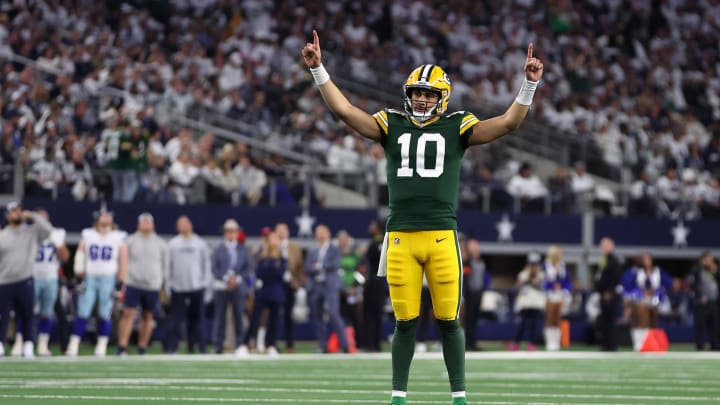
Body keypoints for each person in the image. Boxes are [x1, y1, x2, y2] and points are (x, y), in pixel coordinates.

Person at [302, 28, 543, 404]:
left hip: (442, 236)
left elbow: (509, 123)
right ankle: (399, 395)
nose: (422, 98)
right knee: (405, 321)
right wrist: (319, 71)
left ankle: (459, 396)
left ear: (442, 97)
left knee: (449, 320)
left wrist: (528, 85)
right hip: (401, 236)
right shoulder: (390, 123)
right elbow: (344, 111)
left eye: (429, 93)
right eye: (417, 92)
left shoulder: (457, 125)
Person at [67, 210, 128, 357]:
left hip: (109, 278)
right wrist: (79, 274)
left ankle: (102, 346)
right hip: (90, 277)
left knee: (104, 313)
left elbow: (123, 260)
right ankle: (74, 344)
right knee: (83, 311)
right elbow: (80, 255)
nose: (106, 218)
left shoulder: (118, 237)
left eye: (108, 216)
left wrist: (121, 281)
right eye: (103, 215)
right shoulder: (88, 235)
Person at [0, 202, 54, 358]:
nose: (16, 214)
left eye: (18, 211)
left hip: (25, 279)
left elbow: (49, 229)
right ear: (8, 216)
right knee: (3, 315)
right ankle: (1, 345)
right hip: (4, 281)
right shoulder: (3, 235)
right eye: (13, 212)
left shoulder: (31, 232)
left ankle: (29, 344)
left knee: (27, 314)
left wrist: (33, 215)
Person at [117, 213, 168, 356]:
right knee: (128, 314)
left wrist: (162, 283)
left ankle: (142, 347)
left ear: (153, 224)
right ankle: (122, 346)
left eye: (148, 222)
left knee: (148, 316)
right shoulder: (130, 241)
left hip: (152, 285)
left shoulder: (160, 243)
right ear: (139, 224)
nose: (146, 224)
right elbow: (123, 261)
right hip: (133, 283)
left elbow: (164, 265)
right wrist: (123, 279)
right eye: (144, 222)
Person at [166, 216, 211, 354]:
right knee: (176, 320)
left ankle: (199, 347)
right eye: (181, 224)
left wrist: (205, 284)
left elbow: (206, 264)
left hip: (197, 286)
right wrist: (169, 284)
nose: (184, 226)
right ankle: (173, 347)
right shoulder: (173, 243)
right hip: (178, 287)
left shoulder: (200, 243)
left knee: (197, 320)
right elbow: (168, 265)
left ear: (191, 225)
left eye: (186, 223)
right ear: (177, 227)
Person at [241, 230, 286, 357]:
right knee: (254, 319)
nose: (273, 241)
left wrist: (270, 271)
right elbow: (259, 273)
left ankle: (271, 345)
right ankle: (245, 344)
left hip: (276, 292)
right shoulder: (261, 257)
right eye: (271, 239)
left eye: (275, 239)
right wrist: (271, 271)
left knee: (274, 321)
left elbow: (280, 275)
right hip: (263, 292)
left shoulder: (281, 258)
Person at [211, 219, 253, 355]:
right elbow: (214, 268)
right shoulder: (218, 249)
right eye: (228, 231)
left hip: (238, 287)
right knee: (220, 317)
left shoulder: (243, 249)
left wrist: (237, 279)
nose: (230, 234)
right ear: (224, 233)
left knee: (239, 316)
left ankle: (240, 344)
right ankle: (218, 345)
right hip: (221, 287)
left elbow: (248, 268)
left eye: (233, 231)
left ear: (237, 233)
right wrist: (226, 279)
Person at [31, 209, 69, 356]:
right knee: (28, 312)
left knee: (47, 313)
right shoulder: (28, 233)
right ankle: (21, 343)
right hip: (31, 277)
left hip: (51, 278)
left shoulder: (57, 234)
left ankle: (43, 345)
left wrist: (57, 243)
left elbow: (65, 257)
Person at [305, 224, 348, 353]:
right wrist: (321, 267)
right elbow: (307, 267)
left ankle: (344, 345)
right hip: (316, 285)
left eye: (323, 232)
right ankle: (322, 345)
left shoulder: (335, 249)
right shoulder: (312, 250)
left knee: (334, 314)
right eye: (318, 232)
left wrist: (318, 265)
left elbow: (334, 264)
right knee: (317, 316)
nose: (320, 235)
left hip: (330, 286)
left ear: (328, 233)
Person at [622, 253, 672, 351]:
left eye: (648, 259)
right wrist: (641, 291)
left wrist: (656, 292)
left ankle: (652, 342)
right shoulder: (635, 272)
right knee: (641, 314)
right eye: (644, 259)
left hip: (656, 299)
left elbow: (669, 284)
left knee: (653, 318)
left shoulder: (658, 271)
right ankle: (639, 342)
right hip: (640, 298)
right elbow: (627, 286)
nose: (647, 261)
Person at [275, 222, 304, 353]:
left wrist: (297, 281)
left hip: (289, 285)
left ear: (288, 232)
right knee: (274, 315)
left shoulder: (295, 248)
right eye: (278, 230)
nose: (281, 233)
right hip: (275, 284)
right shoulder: (272, 246)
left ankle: (290, 344)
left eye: (283, 230)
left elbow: (300, 268)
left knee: (288, 315)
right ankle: (272, 343)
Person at [510, 252, 546, 351]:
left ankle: (532, 344)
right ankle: (516, 343)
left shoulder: (542, 275)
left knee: (535, 327)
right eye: (532, 264)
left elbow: (541, 285)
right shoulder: (523, 274)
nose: (533, 267)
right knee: (521, 326)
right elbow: (517, 287)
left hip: (537, 305)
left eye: (535, 264)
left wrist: (531, 280)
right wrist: (526, 280)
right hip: (525, 305)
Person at [362, 219, 388, 352]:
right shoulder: (385, 242)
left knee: (370, 314)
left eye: (372, 225)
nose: (370, 227)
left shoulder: (374, 244)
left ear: (378, 228)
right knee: (377, 314)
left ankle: (370, 344)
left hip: (372, 282)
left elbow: (368, 262)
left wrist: (364, 252)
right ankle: (376, 344)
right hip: (382, 282)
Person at [462, 238, 490, 351]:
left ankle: (473, 342)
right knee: (468, 319)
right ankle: (468, 343)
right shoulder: (468, 262)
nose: (477, 250)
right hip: (470, 294)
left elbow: (483, 278)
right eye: (474, 248)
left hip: (478, 293)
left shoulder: (481, 262)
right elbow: (466, 278)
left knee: (474, 319)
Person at [594, 237, 622, 351]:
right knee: (605, 320)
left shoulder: (613, 260)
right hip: (603, 293)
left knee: (610, 320)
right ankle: (606, 343)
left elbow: (615, 277)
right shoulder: (604, 260)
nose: (603, 248)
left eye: (605, 246)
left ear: (611, 247)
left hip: (609, 294)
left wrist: (609, 291)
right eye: (602, 246)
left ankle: (612, 344)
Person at [543, 245, 572, 351]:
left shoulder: (563, 266)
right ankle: (550, 342)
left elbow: (567, 281)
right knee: (550, 318)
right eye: (558, 254)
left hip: (560, 294)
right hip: (549, 294)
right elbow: (543, 280)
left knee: (558, 318)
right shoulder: (546, 265)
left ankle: (556, 341)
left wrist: (565, 289)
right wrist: (552, 286)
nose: (560, 256)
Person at [689, 252, 719, 350]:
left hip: (714, 303)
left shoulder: (714, 271)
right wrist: (699, 297)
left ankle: (715, 345)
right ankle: (700, 346)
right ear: (703, 260)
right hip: (701, 303)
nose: (711, 262)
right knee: (700, 325)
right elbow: (692, 285)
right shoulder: (697, 270)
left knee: (715, 326)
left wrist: (715, 271)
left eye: (711, 260)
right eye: (708, 260)